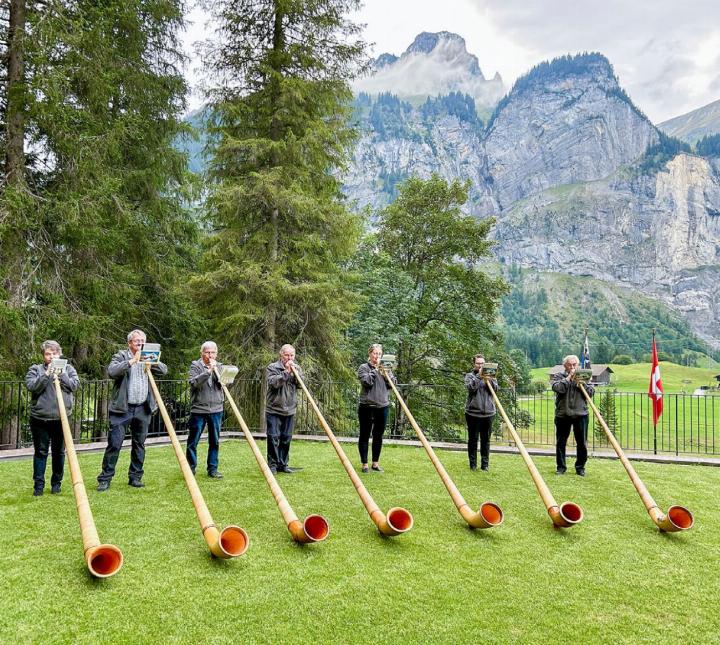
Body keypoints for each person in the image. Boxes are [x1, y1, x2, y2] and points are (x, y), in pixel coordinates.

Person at [97, 329, 167, 491]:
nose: (140, 344)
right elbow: (112, 371)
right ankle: (105, 478)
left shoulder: (148, 355)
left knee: (139, 444)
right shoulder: (121, 356)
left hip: (143, 408)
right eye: (137, 341)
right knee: (115, 444)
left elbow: (163, 370)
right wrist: (132, 361)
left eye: (143, 341)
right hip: (122, 409)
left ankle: (135, 477)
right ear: (129, 343)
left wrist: (152, 360)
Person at [25, 340, 79, 496]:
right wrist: (47, 374)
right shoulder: (35, 369)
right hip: (40, 419)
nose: (51, 356)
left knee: (59, 452)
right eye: (48, 354)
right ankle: (38, 486)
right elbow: (33, 386)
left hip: (62, 419)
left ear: (59, 354)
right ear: (44, 356)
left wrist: (62, 374)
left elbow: (74, 386)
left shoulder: (68, 369)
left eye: (54, 353)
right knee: (41, 452)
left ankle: (56, 484)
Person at [186, 341, 224, 479]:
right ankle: (190, 468)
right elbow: (193, 383)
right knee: (193, 441)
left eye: (213, 352)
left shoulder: (219, 366)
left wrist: (217, 373)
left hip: (216, 409)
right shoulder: (195, 366)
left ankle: (212, 469)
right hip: (199, 410)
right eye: (207, 352)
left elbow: (223, 384)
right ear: (201, 353)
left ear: (216, 353)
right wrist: (208, 371)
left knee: (215, 441)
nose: (210, 355)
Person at [551, 354, 594, 476]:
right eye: (569, 365)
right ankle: (561, 467)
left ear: (578, 365)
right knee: (561, 442)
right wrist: (569, 377)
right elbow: (558, 388)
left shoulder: (585, 377)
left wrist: (582, 383)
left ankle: (580, 467)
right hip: (563, 414)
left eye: (574, 364)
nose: (572, 367)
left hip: (581, 414)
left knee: (582, 443)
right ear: (565, 366)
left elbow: (591, 393)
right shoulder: (559, 376)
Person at [357, 343, 396, 473]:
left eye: (379, 354)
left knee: (378, 436)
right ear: (370, 354)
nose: (377, 356)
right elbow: (366, 382)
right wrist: (375, 370)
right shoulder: (363, 367)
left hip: (382, 407)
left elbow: (393, 384)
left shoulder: (386, 368)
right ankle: (364, 464)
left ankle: (375, 463)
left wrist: (386, 374)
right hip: (367, 407)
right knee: (364, 435)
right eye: (375, 353)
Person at [265, 344, 303, 474]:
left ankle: (283, 464)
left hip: (290, 408)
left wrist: (295, 374)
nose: (289, 357)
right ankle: (272, 465)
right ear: (281, 355)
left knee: (286, 437)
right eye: (287, 355)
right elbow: (273, 383)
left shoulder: (297, 368)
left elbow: (301, 385)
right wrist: (286, 372)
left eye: (292, 355)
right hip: (274, 409)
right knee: (273, 437)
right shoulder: (272, 367)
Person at [464, 354, 498, 471]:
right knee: (473, 440)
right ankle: (473, 464)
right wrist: (479, 377)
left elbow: (495, 390)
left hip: (489, 413)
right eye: (478, 363)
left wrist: (490, 380)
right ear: (474, 364)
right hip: (473, 413)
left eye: (483, 363)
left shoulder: (491, 377)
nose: (481, 365)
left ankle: (485, 465)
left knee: (486, 440)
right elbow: (471, 388)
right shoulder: (470, 376)